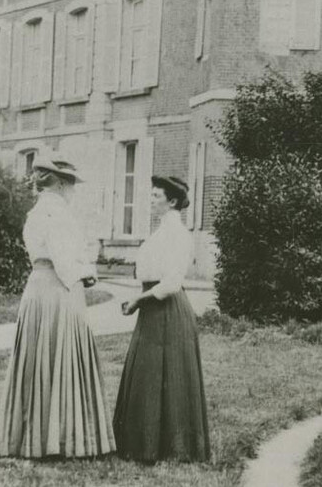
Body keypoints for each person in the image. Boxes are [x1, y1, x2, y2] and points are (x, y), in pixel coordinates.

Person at [0, 155, 115, 459]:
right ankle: (61, 439)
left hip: (37, 286)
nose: (72, 190)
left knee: (39, 356)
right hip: (59, 288)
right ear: (60, 184)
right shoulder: (58, 213)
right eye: (70, 184)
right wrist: (88, 273)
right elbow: (64, 261)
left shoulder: (35, 213)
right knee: (60, 352)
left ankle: (34, 435)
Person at [113, 175, 211, 463]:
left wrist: (137, 301)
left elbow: (171, 284)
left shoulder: (178, 234)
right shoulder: (160, 232)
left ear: (172, 201)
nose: (151, 200)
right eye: (152, 195)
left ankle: (170, 447)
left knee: (169, 375)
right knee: (149, 374)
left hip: (167, 310)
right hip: (153, 310)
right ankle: (143, 444)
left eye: (157, 196)